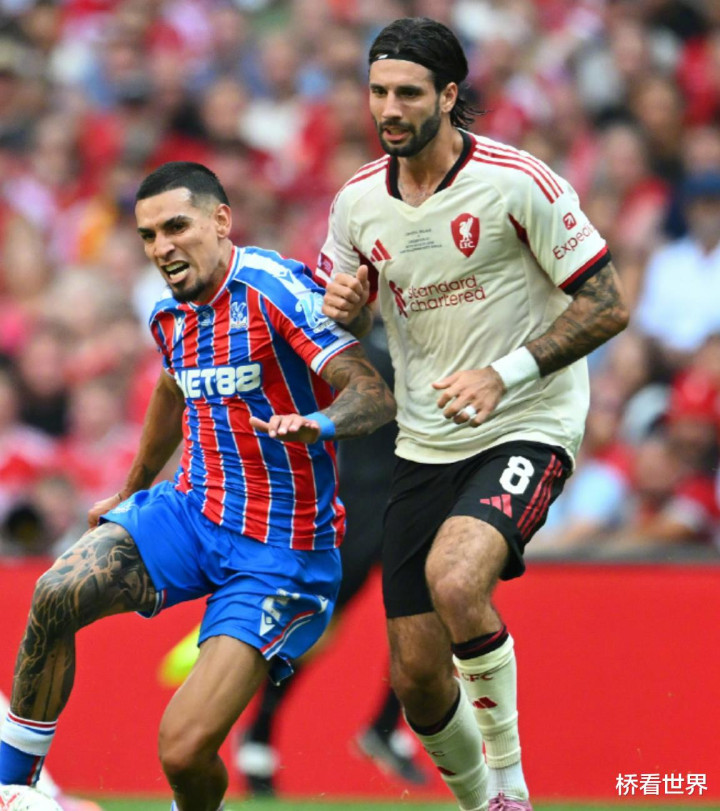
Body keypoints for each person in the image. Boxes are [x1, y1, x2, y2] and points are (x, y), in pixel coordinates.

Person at [0, 161, 396, 811]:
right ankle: (12, 786)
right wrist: (131, 489)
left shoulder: (276, 289)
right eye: (148, 235)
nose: (162, 247)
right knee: (56, 592)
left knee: (183, 751)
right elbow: (171, 387)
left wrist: (319, 423)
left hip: (279, 551)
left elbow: (372, 394)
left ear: (221, 220)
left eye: (176, 227)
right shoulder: (170, 313)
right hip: (192, 512)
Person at [318, 17, 629, 811]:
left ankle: (512, 791)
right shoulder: (357, 203)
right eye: (378, 92)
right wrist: (349, 310)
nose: (389, 109)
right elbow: (348, 323)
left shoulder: (517, 181)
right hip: (425, 440)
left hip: (527, 419)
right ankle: (479, 801)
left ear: (449, 95)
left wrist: (503, 373)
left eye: (407, 93)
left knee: (457, 582)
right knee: (417, 678)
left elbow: (607, 303)